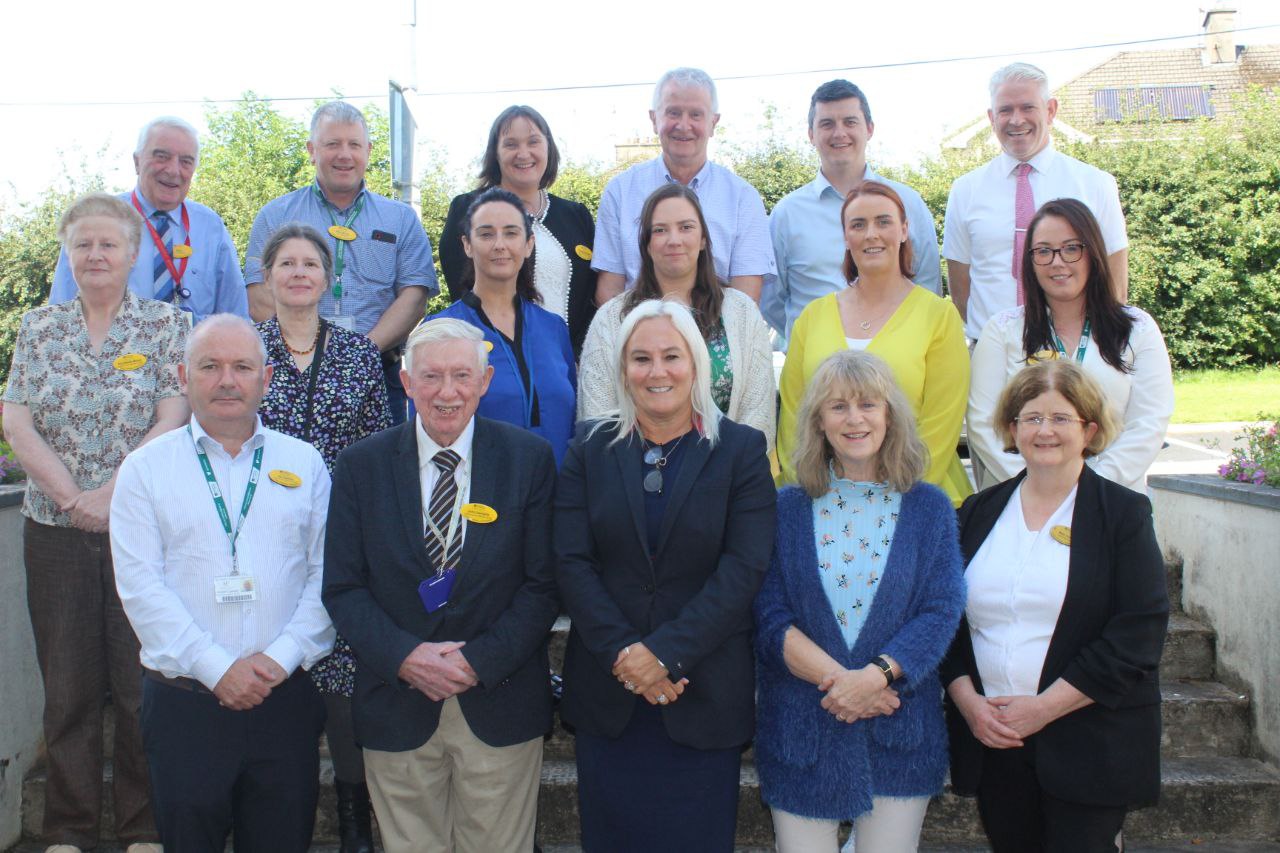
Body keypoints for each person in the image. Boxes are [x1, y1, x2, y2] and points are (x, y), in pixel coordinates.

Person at [323, 318, 560, 852]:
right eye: (430, 377)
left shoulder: (529, 460)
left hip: (498, 696)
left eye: (461, 376)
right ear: (405, 383)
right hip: (397, 701)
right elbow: (342, 588)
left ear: (485, 380)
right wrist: (407, 657)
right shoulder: (360, 466)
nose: (446, 392)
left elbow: (544, 586)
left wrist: (478, 660)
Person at [555, 299, 777, 852]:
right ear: (622, 370)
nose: (657, 372)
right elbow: (570, 561)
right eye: (641, 358)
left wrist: (666, 656)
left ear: (697, 364)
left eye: (672, 356)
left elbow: (744, 567)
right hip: (612, 695)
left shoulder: (742, 451)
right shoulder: (589, 448)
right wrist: (627, 656)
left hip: (700, 692)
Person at [3, 192, 189, 853]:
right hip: (52, 530)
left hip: (140, 527)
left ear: (133, 253)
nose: (95, 254)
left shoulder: (167, 325)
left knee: (141, 682)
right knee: (69, 685)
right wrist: (72, 496)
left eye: (109, 243)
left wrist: (113, 494)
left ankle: (142, 826)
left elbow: (172, 415)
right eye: (83, 243)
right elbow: (16, 419)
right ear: (67, 252)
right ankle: (69, 828)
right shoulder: (37, 327)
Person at [110, 314, 335, 852]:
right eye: (210, 366)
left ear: (267, 378)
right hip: (185, 703)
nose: (227, 380)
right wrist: (217, 669)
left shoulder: (305, 463)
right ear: (183, 378)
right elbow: (142, 588)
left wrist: (279, 659)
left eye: (242, 366)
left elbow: (328, 576)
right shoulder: (144, 470)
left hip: (283, 700)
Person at [943, 360, 1169, 852]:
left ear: (1089, 429)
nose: (1045, 431)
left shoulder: (1123, 515)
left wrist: (1043, 709)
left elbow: (1137, 635)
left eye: (1061, 418)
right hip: (995, 739)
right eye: (1032, 418)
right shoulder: (975, 514)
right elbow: (946, 625)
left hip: (1090, 743)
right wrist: (969, 705)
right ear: (1011, 428)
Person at [755, 349, 964, 852]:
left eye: (868, 404)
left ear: (890, 415)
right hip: (803, 728)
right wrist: (846, 685)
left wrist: (876, 678)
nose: (855, 419)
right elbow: (768, 616)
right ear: (818, 422)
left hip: (899, 728)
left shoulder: (929, 507)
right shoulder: (784, 508)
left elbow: (941, 608)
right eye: (838, 407)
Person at [254, 223, 391, 853]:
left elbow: (379, 450)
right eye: (287, 263)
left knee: (341, 675)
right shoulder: (247, 350)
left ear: (328, 277)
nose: (300, 273)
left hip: (341, 534)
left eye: (311, 263)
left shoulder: (359, 354)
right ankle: (265, 804)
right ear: (269, 274)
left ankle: (354, 816)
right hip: (260, 534)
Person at [777, 181, 971, 506]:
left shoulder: (939, 316)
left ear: (904, 230)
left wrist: (885, 503)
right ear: (845, 236)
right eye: (858, 224)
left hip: (918, 502)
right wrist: (812, 492)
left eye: (883, 221)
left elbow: (942, 423)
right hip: (823, 505)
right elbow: (794, 417)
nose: (871, 234)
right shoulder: (812, 317)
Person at [245, 100, 438, 424]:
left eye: (354, 144)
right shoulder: (275, 216)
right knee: (286, 473)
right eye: (332, 144)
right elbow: (257, 295)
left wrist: (356, 353)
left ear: (369, 150)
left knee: (375, 472)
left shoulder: (401, 219)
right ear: (311, 149)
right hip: (289, 374)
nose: (344, 155)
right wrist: (307, 350)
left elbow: (415, 296)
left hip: (375, 371)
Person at [969, 199, 1173, 492]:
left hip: (1113, 500)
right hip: (1024, 500)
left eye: (1071, 248)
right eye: (1043, 251)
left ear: (1093, 253)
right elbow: (984, 424)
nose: (1057, 262)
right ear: (1030, 261)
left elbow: (1149, 423)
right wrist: (1042, 485)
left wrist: (1090, 489)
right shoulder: (1002, 331)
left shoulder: (1137, 328)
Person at [578, 183, 776, 450]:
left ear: (704, 239)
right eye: (660, 230)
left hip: (728, 481)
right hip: (632, 481)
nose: (674, 240)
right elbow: (598, 416)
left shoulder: (742, 313)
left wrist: (734, 472)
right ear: (646, 244)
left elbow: (758, 411)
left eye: (686, 227)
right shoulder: (611, 319)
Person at [944, 62, 1129, 342]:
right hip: (992, 352)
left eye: (1027, 107)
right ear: (992, 117)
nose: (1016, 120)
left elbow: (1115, 283)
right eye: (1005, 110)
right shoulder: (965, 190)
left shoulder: (1095, 184)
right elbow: (961, 286)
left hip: (1074, 351)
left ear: (1051, 110)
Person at [766, 80, 941, 344]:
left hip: (898, 364)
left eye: (850, 122)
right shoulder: (786, 215)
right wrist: (813, 339)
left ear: (869, 129)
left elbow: (927, 285)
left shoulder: (908, 203)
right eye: (827, 124)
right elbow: (771, 300)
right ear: (811, 134)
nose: (839, 133)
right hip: (816, 369)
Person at [592, 67, 775, 304]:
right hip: (638, 335)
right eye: (673, 113)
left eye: (696, 115)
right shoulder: (620, 192)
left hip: (716, 337)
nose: (683, 125)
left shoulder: (743, 198)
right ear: (654, 119)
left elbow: (746, 296)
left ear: (713, 122)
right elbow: (610, 290)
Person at [49, 117, 248, 322]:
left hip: (195, 353)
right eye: (162, 157)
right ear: (137, 162)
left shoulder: (210, 227)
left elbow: (235, 318)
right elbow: (60, 315)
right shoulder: (95, 221)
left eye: (186, 161)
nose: (173, 170)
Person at [431, 188, 577, 465]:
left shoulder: (554, 329)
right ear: (467, 244)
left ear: (528, 244)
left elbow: (572, 421)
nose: (500, 244)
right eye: (486, 234)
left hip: (557, 498)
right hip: (479, 501)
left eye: (511, 233)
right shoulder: (442, 331)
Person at [439, 105, 598, 355]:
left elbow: (591, 298)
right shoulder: (468, 209)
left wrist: (577, 356)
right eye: (511, 144)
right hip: (496, 361)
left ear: (548, 148)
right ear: (496, 153)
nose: (523, 153)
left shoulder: (576, 216)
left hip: (570, 366)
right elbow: (463, 292)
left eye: (533, 142)